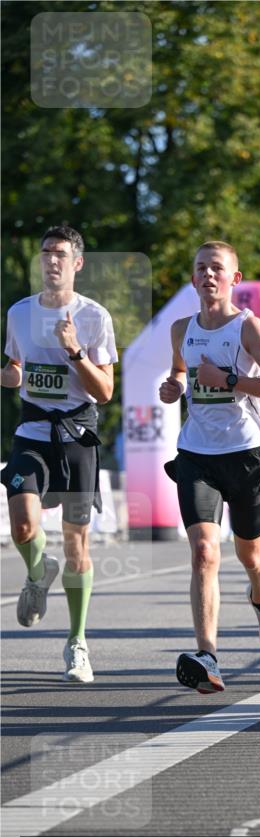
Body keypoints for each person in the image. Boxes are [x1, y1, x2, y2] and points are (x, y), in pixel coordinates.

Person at [159, 241, 260, 695]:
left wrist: (230, 380)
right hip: (196, 454)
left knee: (249, 552)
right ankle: (208, 656)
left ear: (235, 279)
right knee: (203, 552)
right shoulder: (181, 329)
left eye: (218, 268)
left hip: (246, 453)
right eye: (201, 268)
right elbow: (180, 370)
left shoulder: (247, 327)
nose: (208, 275)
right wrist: (175, 385)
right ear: (193, 279)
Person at [1, 225, 117, 683]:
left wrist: (74, 353)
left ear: (77, 264)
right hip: (32, 430)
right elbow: (14, 370)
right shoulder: (18, 313)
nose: (52, 260)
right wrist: (6, 374)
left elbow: (105, 391)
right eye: (46, 252)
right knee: (23, 524)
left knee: (76, 546)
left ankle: (77, 642)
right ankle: (37, 569)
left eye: (61, 254)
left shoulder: (94, 317)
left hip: (76, 435)